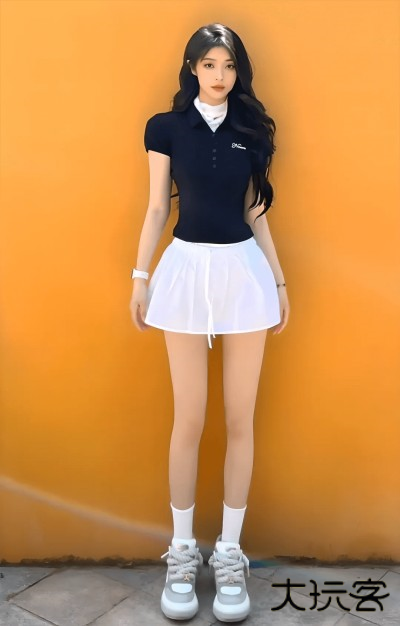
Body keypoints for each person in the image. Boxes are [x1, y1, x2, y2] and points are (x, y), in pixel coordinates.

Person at [129, 23, 290, 623]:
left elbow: (257, 212)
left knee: (240, 419)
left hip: (243, 275)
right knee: (189, 418)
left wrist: (279, 282)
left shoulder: (252, 131)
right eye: (209, 65)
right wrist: (139, 277)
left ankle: (228, 553)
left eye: (228, 65)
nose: (219, 76)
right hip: (184, 273)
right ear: (192, 69)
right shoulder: (165, 128)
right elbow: (156, 208)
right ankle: (181, 552)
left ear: (238, 71)